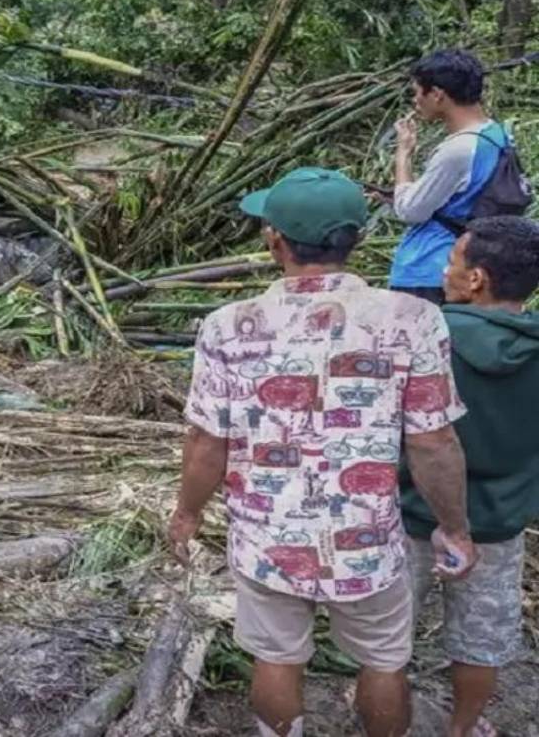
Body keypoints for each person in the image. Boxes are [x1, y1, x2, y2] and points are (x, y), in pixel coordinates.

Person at [168, 167, 477, 737]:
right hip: (366, 537)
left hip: (268, 535)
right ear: (356, 237)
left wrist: (187, 513)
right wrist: (454, 527)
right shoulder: (413, 320)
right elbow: (433, 441)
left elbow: (208, 440)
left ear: (274, 241)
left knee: (278, 656)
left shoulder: (228, 327)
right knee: (384, 658)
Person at [398, 216, 539, 737]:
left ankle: (384, 716)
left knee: (389, 632)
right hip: (499, 520)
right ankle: (463, 729)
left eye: (453, 261)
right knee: (481, 637)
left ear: (476, 278)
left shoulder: (427, 334)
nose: (443, 269)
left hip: (411, 509)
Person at [388, 49, 515, 305]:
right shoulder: (497, 134)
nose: (415, 100)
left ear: (437, 95)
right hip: (468, 266)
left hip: (428, 270)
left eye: (417, 92)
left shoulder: (458, 149)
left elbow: (410, 211)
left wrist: (403, 154)